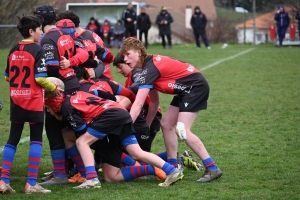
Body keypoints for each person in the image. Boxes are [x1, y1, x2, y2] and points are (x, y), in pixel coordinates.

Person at [44, 79, 183, 189]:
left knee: (82, 141)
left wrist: (63, 118)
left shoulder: (68, 108)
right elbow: (103, 96)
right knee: (133, 156)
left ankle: (91, 178)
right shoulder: (75, 95)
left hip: (110, 117)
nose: (49, 112)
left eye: (48, 108)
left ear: (54, 102)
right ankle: (171, 170)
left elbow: (83, 134)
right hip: (120, 113)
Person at [120, 37, 222, 183]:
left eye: (128, 54)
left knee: (182, 130)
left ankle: (212, 168)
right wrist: (147, 125)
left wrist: (126, 125)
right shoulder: (147, 67)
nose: (125, 59)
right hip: (186, 89)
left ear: (139, 52)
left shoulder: (150, 68)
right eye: (123, 56)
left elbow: (138, 104)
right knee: (166, 124)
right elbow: (154, 102)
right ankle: (174, 165)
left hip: (195, 87)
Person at [0, 15, 63, 194]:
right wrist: (54, 88)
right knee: (36, 139)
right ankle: (31, 184)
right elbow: (40, 78)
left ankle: (3, 181)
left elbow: (7, 76)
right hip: (33, 101)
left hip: (17, 100)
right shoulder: (38, 49)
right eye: (40, 29)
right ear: (31, 31)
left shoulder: (13, 49)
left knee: (12, 139)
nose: (42, 33)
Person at [33, 4, 94, 186]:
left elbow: (51, 67)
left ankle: (62, 173)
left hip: (59, 88)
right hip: (73, 84)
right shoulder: (66, 34)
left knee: (54, 129)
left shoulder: (48, 38)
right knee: (69, 130)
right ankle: (77, 170)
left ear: (41, 21)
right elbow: (87, 55)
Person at [56, 10, 115, 80]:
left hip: (100, 79)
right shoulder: (86, 34)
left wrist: (94, 70)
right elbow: (108, 55)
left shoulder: (84, 39)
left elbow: (105, 57)